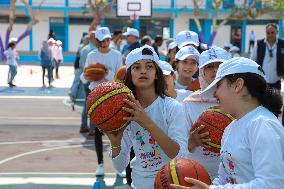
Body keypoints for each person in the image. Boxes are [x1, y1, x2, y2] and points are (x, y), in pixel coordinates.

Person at [171, 57, 284, 189]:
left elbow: (272, 184)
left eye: (218, 86)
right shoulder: (230, 128)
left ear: (237, 85)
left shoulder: (263, 125)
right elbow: (225, 178)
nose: (215, 94)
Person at [106, 45, 188, 188]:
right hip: (140, 183)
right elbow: (119, 167)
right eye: (136, 67)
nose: (143, 70)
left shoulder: (172, 107)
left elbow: (179, 155)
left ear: (157, 73)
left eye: (149, 66)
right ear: (129, 74)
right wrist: (115, 143)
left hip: (170, 182)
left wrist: (147, 123)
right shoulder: (124, 111)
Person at [183, 46, 231, 179]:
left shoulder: (238, 100)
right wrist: (191, 141)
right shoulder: (189, 103)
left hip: (232, 176)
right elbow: (179, 145)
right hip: (199, 174)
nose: (215, 70)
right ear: (202, 72)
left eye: (220, 65)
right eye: (209, 67)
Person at [80, 27, 122, 176]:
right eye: (102, 40)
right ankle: (100, 164)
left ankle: (118, 166)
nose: (105, 42)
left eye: (107, 40)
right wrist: (93, 73)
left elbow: (118, 78)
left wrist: (105, 71)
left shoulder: (116, 55)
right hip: (96, 95)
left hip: (112, 95)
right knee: (98, 132)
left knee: (116, 133)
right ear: (97, 41)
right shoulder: (92, 55)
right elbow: (84, 77)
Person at [251, 23, 284, 119]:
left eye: (272, 32)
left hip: (276, 80)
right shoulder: (260, 44)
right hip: (262, 81)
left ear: (277, 32)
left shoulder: (282, 44)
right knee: (262, 105)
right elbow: (252, 60)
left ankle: (274, 124)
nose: (270, 35)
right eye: (268, 32)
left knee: (276, 105)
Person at [77, 31, 97, 134]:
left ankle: (83, 125)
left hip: (85, 77)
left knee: (87, 102)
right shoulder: (95, 50)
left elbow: (80, 64)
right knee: (93, 104)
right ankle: (93, 128)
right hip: (93, 79)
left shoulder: (83, 49)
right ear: (94, 38)